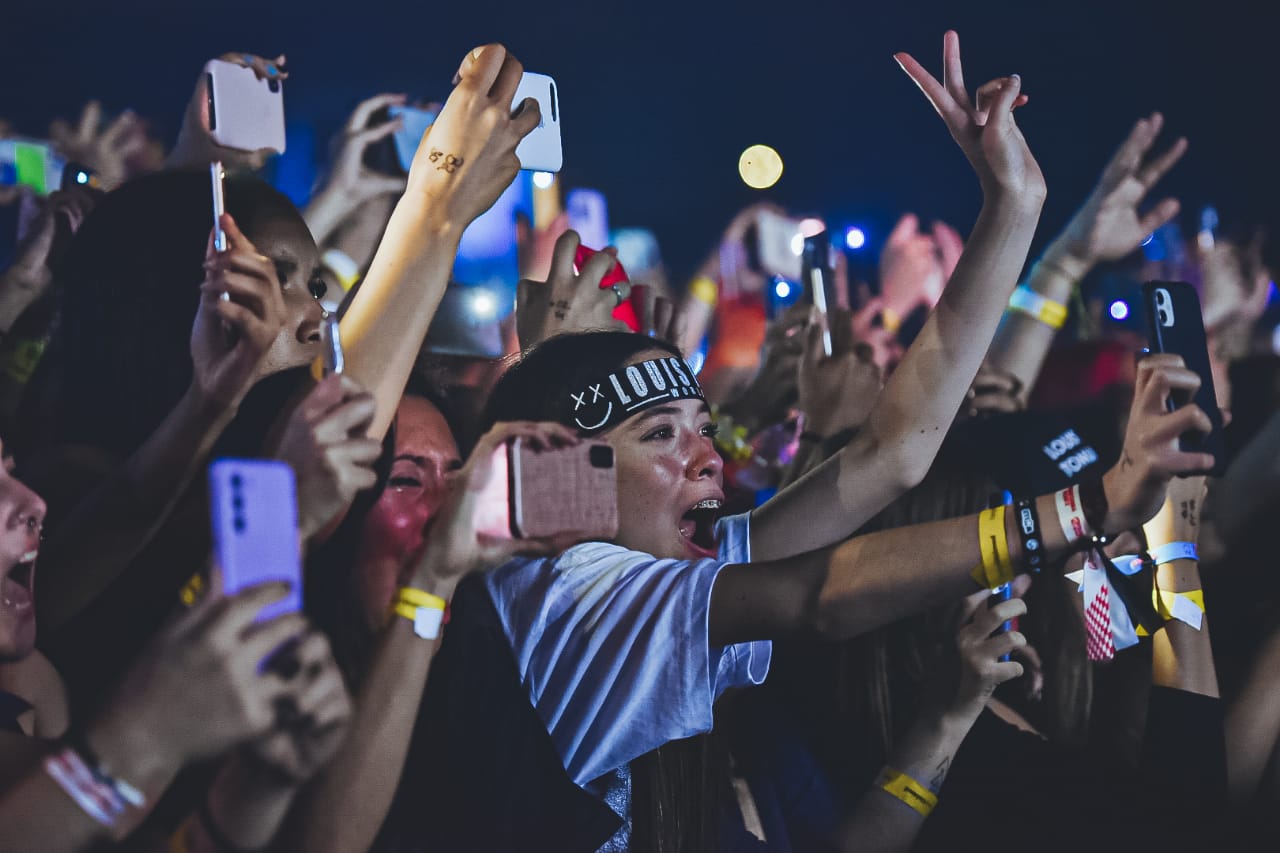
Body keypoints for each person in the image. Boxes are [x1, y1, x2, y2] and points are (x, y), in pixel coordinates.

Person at [0, 434, 351, 852]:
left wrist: (254, 791)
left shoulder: (30, 686)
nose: (34, 502)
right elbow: (108, 807)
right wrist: (147, 733)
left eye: (9, 470)